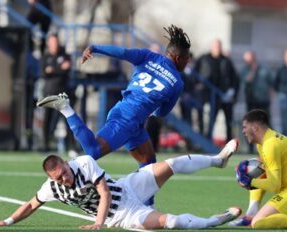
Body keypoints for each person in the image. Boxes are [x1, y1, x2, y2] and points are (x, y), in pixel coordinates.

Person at [0, 117, 241, 230]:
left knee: (170, 163)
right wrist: (7, 221)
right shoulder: (52, 188)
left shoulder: (83, 163)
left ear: (65, 162)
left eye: (63, 172)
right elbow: (31, 204)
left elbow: (104, 192)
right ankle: (215, 221)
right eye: (58, 178)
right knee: (172, 222)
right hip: (123, 214)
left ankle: (217, 160)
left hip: (129, 187)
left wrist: (97, 222)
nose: (63, 179)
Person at [37, 25, 191, 206]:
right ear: (178, 58)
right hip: (127, 119)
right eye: (187, 59)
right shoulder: (178, 82)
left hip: (130, 117)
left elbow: (122, 52)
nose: (187, 62)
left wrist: (95, 47)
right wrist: (154, 106)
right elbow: (163, 112)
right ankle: (66, 109)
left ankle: (147, 207)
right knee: (93, 151)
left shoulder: (148, 56)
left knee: (149, 163)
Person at [195, 39, 239, 141]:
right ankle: (207, 141)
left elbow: (235, 79)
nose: (217, 49)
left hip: (225, 96)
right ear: (211, 47)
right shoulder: (204, 58)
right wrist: (198, 85)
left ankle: (229, 144)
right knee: (211, 120)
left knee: (228, 122)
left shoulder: (226, 61)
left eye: (219, 46)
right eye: (215, 46)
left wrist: (232, 94)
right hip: (210, 96)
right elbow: (196, 73)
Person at [40, 33, 74, 153]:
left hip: (63, 94)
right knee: (47, 120)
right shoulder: (45, 57)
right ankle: (45, 145)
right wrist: (59, 69)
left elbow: (66, 69)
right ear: (49, 43)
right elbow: (44, 72)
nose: (54, 45)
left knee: (68, 119)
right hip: (49, 93)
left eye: (56, 42)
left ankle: (71, 146)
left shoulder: (64, 55)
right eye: (52, 42)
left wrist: (53, 70)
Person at [240, 51, 273, 153]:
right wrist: (253, 71)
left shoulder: (264, 69)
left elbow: (271, 83)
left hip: (263, 101)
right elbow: (246, 81)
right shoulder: (244, 70)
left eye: (250, 58)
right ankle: (250, 148)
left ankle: (269, 147)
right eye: (247, 59)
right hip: (251, 102)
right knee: (250, 125)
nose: (249, 61)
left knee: (265, 124)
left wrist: (270, 96)